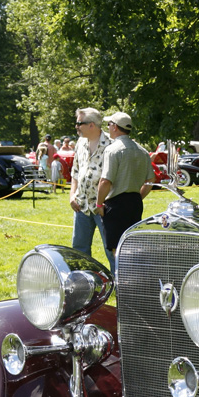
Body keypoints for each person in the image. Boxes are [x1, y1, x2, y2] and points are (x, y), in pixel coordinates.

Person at [96, 111, 155, 276]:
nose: (108, 127)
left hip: (115, 204)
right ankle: (134, 280)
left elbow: (105, 181)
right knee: (131, 246)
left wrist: (99, 204)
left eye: (109, 124)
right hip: (135, 201)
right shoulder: (142, 151)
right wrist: (137, 196)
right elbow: (150, 179)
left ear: (115, 127)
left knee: (117, 250)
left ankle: (123, 284)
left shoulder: (113, 150)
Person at [69, 107, 113, 268]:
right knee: (79, 248)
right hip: (81, 205)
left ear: (92, 125)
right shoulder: (80, 143)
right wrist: (72, 195)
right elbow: (75, 171)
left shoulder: (111, 144)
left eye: (79, 123)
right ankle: (84, 281)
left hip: (105, 206)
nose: (76, 127)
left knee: (111, 248)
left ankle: (120, 284)